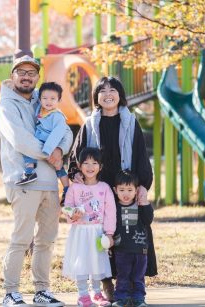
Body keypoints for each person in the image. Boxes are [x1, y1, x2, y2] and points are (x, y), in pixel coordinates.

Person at [68, 76, 156, 301]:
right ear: (96, 97)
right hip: (98, 191)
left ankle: (134, 288)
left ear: (120, 94)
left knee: (130, 237)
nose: (108, 94)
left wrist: (143, 186)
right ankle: (109, 288)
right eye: (102, 90)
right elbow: (77, 154)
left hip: (125, 190)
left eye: (113, 89)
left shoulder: (131, 121)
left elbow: (140, 155)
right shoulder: (90, 123)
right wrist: (76, 173)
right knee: (103, 238)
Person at [0, 54, 73, 307]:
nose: (27, 76)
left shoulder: (44, 101)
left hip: (50, 182)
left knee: (47, 240)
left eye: (32, 73)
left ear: (37, 77)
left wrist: (60, 150)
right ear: (13, 75)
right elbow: (21, 141)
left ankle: (42, 290)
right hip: (23, 181)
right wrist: (50, 152)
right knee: (21, 238)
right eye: (22, 72)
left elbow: (66, 129)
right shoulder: (7, 106)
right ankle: (11, 292)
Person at [62, 147, 116, 307]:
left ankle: (97, 293)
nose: (90, 166)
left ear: (100, 166)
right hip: (80, 232)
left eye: (94, 163)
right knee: (82, 263)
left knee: (97, 262)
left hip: (98, 232)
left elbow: (110, 212)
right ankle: (83, 295)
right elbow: (66, 207)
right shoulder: (74, 188)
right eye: (86, 163)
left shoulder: (105, 188)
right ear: (79, 165)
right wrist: (73, 213)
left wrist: (109, 233)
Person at [15, 81, 70, 204]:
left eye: (52, 99)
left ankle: (30, 172)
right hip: (44, 141)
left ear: (59, 100)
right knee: (58, 167)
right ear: (39, 99)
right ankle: (66, 189)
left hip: (49, 143)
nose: (48, 101)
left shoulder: (57, 116)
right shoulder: (42, 109)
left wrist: (48, 149)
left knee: (30, 152)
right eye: (44, 98)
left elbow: (58, 132)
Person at [112, 170, 155, 307]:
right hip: (121, 250)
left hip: (140, 250)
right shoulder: (114, 207)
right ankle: (121, 298)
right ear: (115, 190)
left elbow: (148, 220)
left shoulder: (140, 205)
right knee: (122, 276)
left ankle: (139, 299)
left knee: (138, 277)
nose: (126, 193)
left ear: (136, 190)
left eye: (130, 190)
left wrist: (145, 203)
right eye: (122, 190)